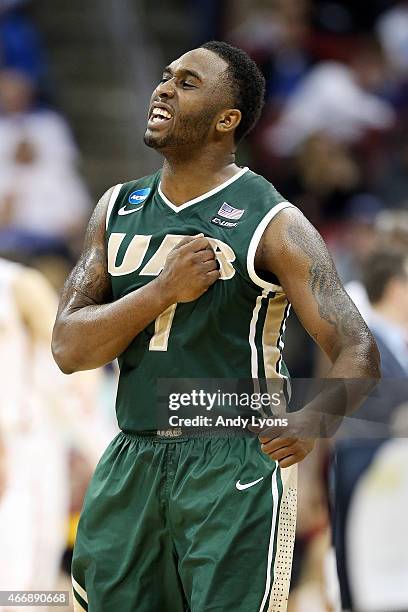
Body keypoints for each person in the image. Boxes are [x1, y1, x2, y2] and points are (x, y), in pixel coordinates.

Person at [52, 41, 379, 612]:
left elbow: (358, 349)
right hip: (133, 451)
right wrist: (161, 290)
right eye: (165, 76)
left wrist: (313, 421)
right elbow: (68, 348)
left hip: (234, 456)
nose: (164, 88)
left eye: (187, 82)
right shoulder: (116, 207)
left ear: (227, 119)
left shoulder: (274, 220)